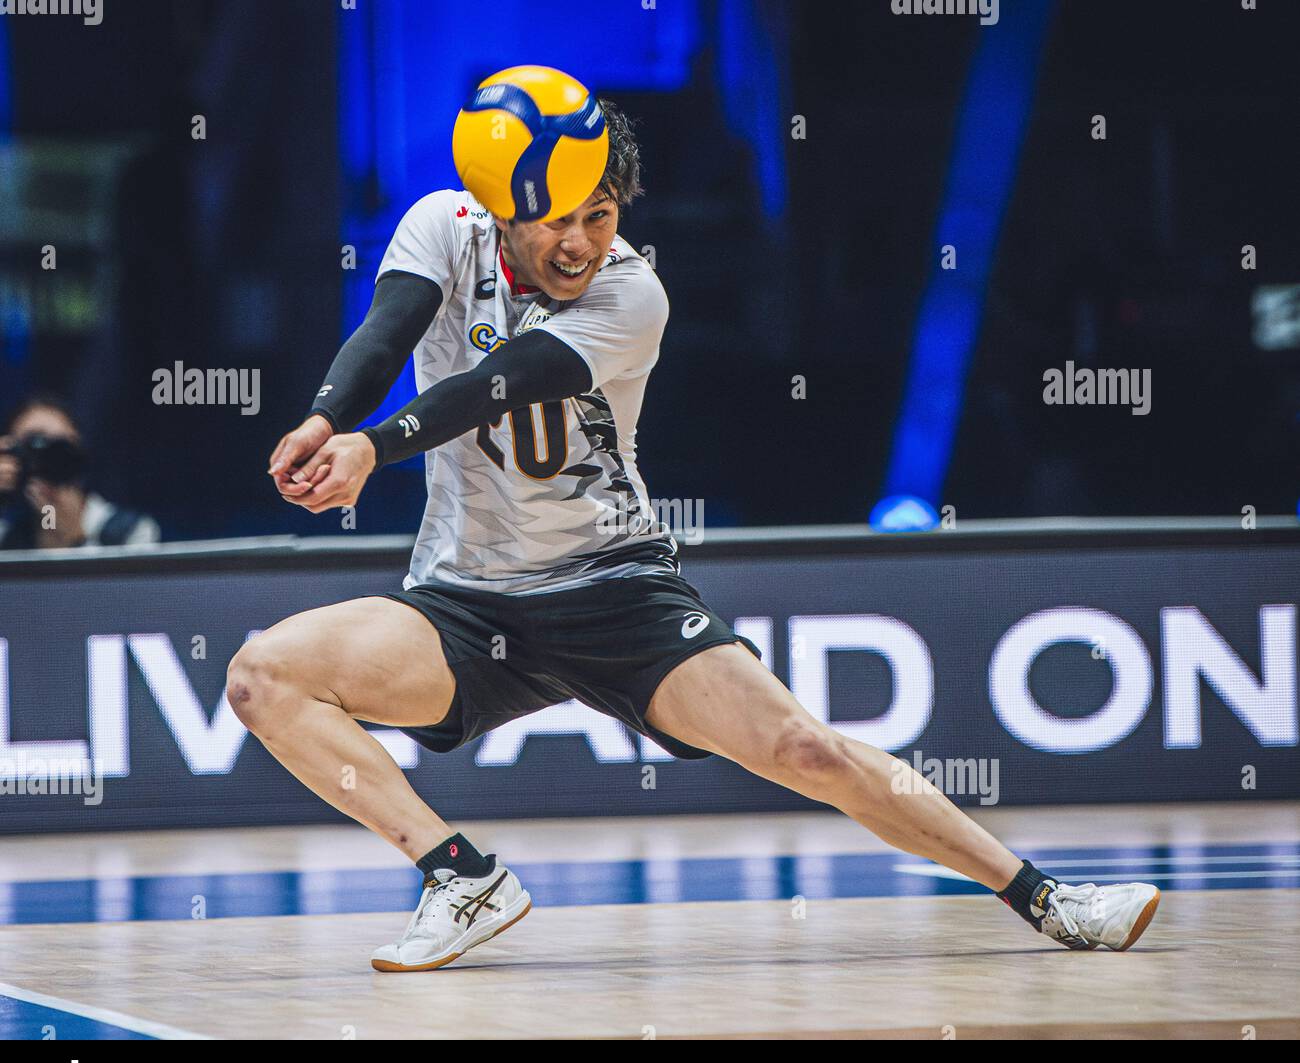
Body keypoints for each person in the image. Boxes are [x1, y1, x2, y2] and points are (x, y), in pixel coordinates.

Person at [226, 100, 1159, 971]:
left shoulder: (634, 295)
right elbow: (390, 330)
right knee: (264, 676)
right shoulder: (443, 223)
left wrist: (372, 446)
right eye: (555, 218)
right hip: (465, 600)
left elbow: (497, 385)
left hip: (616, 587)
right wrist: (324, 418)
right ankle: (460, 877)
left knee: (807, 751)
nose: (580, 241)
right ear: (497, 207)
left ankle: (1048, 900)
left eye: (599, 214)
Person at [0, 395, 161, 550]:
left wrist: (76, 541)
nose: (48, 457)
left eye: (59, 446)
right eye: (34, 444)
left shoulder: (132, 530)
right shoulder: (5, 535)